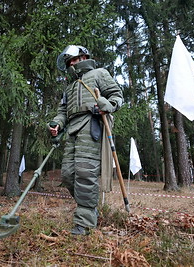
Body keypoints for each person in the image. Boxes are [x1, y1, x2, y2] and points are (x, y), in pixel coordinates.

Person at [48, 45, 124, 235]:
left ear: (84, 57)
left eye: (74, 59)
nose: (72, 64)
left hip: (91, 125)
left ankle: (85, 222)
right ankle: (89, 209)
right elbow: (63, 112)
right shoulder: (70, 86)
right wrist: (57, 123)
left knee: (85, 173)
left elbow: (117, 95)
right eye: (69, 62)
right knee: (67, 175)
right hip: (72, 130)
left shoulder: (99, 73)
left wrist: (109, 104)